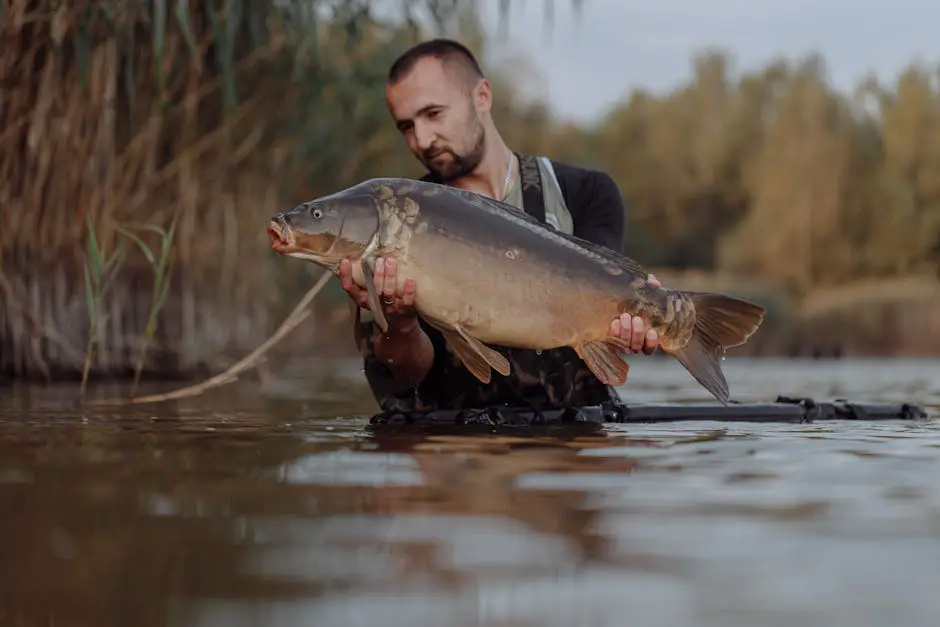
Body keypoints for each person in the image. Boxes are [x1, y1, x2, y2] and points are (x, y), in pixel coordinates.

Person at [339, 38, 661, 415]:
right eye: (406, 126)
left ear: (482, 96)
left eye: (434, 114)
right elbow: (402, 380)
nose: (421, 140)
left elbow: (604, 300)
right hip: (461, 452)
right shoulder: (391, 229)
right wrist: (402, 323)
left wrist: (632, 321)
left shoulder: (585, 193)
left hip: (577, 449)